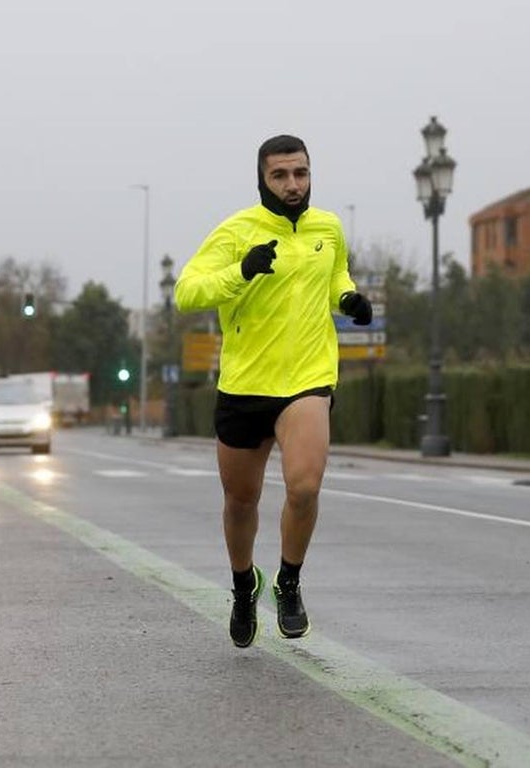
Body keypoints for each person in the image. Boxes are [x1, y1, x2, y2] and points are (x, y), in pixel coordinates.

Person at [174, 134, 373, 648]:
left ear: (311, 174)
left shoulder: (327, 227)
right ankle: (244, 587)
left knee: (304, 487)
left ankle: (289, 581)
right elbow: (186, 292)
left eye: (300, 174)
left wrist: (348, 298)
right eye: (280, 175)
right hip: (245, 384)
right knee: (241, 501)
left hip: (307, 378)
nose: (292, 185)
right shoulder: (237, 231)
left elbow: (335, 274)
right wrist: (241, 271)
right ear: (262, 179)